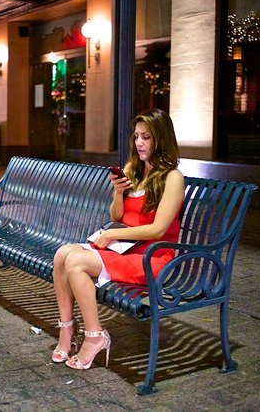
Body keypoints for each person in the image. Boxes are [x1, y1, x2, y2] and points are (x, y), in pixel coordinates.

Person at [52, 108, 185, 370]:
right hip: (126, 247)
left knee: (76, 262)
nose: (139, 143)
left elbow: (158, 230)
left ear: (161, 138)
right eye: (136, 136)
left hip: (152, 256)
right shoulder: (132, 171)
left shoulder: (172, 178)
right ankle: (67, 329)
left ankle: (94, 336)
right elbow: (118, 215)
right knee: (61, 255)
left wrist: (113, 234)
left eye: (146, 137)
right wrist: (118, 192)